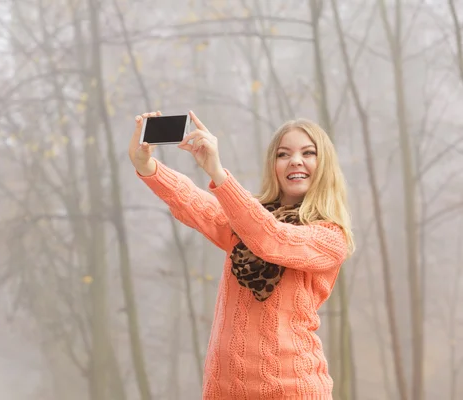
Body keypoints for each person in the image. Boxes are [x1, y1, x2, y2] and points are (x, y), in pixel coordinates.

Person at [129, 110, 355, 400]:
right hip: (224, 389)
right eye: (283, 154)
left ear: (324, 165)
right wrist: (147, 166)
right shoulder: (246, 220)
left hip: (293, 390)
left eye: (308, 153)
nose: (295, 161)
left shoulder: (330, 237)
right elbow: (198, 205)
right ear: (273, 165)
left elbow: (271, 239)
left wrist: (218, 173)